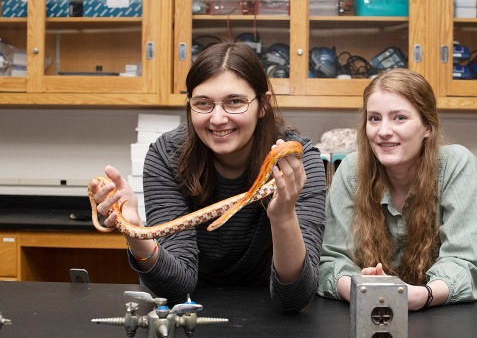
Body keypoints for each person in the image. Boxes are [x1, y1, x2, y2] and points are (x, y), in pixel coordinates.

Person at [90, 41, 327, 313]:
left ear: (263, 104)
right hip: (190, 311)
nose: (217, 119)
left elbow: (295, 299)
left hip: (271, 313)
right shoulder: (167, 156)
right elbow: (177, 289)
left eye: (235, 102)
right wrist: (135, 232)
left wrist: (284, 217)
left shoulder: (297, 160)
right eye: (203, 103)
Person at [317, 68, 477, 310]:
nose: (383, 131)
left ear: (427, 127)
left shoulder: (456, 165)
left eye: (399, 117)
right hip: (368, 313)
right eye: (374, 118)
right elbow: (331, 261)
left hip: (445, 315)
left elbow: (466, 260)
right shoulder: (350, 170)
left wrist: (422, 296)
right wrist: (360, 287)